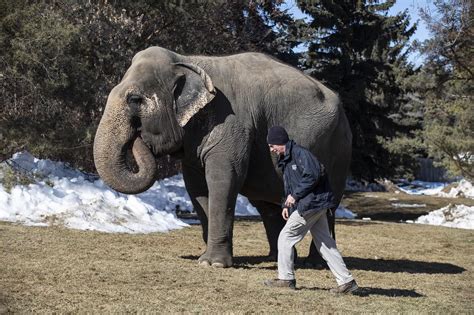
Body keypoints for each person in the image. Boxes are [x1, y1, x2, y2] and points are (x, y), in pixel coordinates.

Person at [263, 126, 358, 293]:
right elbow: (292, 186)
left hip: (311, 204)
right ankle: (347, 282)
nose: (271, 150)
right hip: (313, 204)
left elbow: (313, 175)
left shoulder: (300, 154)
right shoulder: (287, 159)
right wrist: (287, 203)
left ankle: (286, 279)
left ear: (280, 141)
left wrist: (295, 197)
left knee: (285, 237)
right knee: (325, 244)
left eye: (272, 146)